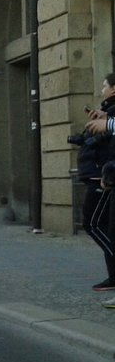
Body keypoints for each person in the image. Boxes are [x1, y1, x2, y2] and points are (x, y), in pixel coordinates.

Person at [81, 73, 115, 290]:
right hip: (107, 173)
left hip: (105, 175)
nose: (102, 89)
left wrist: (109, 124)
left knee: (95, 223)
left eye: (105, 86)